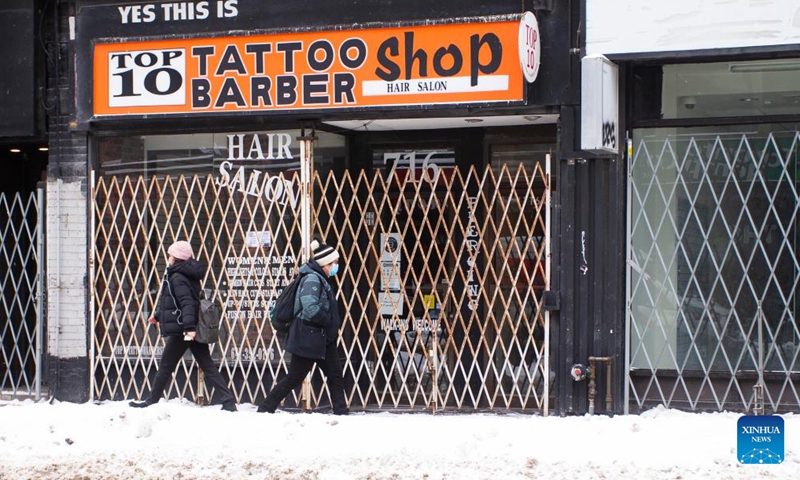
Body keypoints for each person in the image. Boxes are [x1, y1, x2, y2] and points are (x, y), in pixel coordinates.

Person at [130, 240, 237, 412]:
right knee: (206, 364)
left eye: (171, 254)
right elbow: (176, 301)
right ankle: (228, 401)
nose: (169, 257)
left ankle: (151, 400)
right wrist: (157, 316)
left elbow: (187, 303)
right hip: (189, 329)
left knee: (166, 364)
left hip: (185, 331)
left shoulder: (178, 277)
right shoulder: (185, 274)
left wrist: (189, 329)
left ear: (177, 257)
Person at [258, 239, 349, 415]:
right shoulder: (312, 279)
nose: (336, 266)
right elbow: (310, 307)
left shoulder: (319, 277)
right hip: (310, 336)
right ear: (325, 264)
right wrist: (327, 320)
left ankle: (341, 411)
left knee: (335, 374)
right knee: (295, 377)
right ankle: (266, 408)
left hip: (321, 338)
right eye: (334, 263)